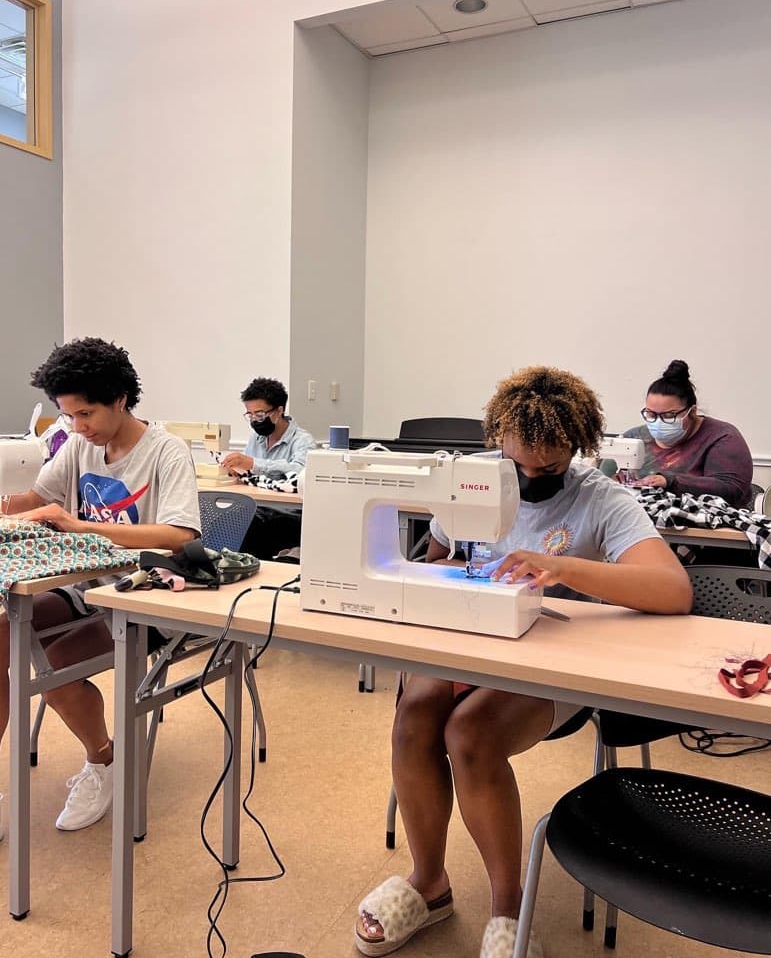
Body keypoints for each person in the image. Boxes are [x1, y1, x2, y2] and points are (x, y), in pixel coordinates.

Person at [354, 366, 692, 958]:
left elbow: (673, 590)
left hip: (554, 670)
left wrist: (562, 569)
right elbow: (433, 559)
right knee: (415, 709)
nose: (531, 479)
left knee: (471, 732)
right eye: (518, 466)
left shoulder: (600, 500)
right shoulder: (475, 484)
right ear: (497, 445)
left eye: (548, 468)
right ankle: (429, 883)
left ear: (577, 450)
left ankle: (509, 907)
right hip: (477, 651)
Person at [0, 338, 200, 856]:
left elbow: (180, 536)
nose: (77, 426)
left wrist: (81, 524)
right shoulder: (79, 445)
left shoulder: (165, 451)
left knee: (53, 658)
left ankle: (103, 761)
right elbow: (33, 499)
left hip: (149, 593)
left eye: (85, 414)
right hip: (86, 584)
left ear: (121, 400)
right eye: (68, 416)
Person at [623, 359, 753, 509]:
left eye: (669, 416)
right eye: (651, 414)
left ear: (692, 412)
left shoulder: (723, 438)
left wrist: (670, 482)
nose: (658, 422)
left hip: (709, 528)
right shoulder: (633, 438)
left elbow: (730, 489)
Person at [219, 377, 315, 559]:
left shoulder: (303, 441)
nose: (255, 420)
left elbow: (300, 472)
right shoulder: (257, 438)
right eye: (250, 415)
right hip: (258, 509)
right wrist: (236, 471)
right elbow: (249, 474)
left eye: (260, 415)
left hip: (290, 515)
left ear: (279, 411)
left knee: (251, 529)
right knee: (223, 522)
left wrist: (254, 464)